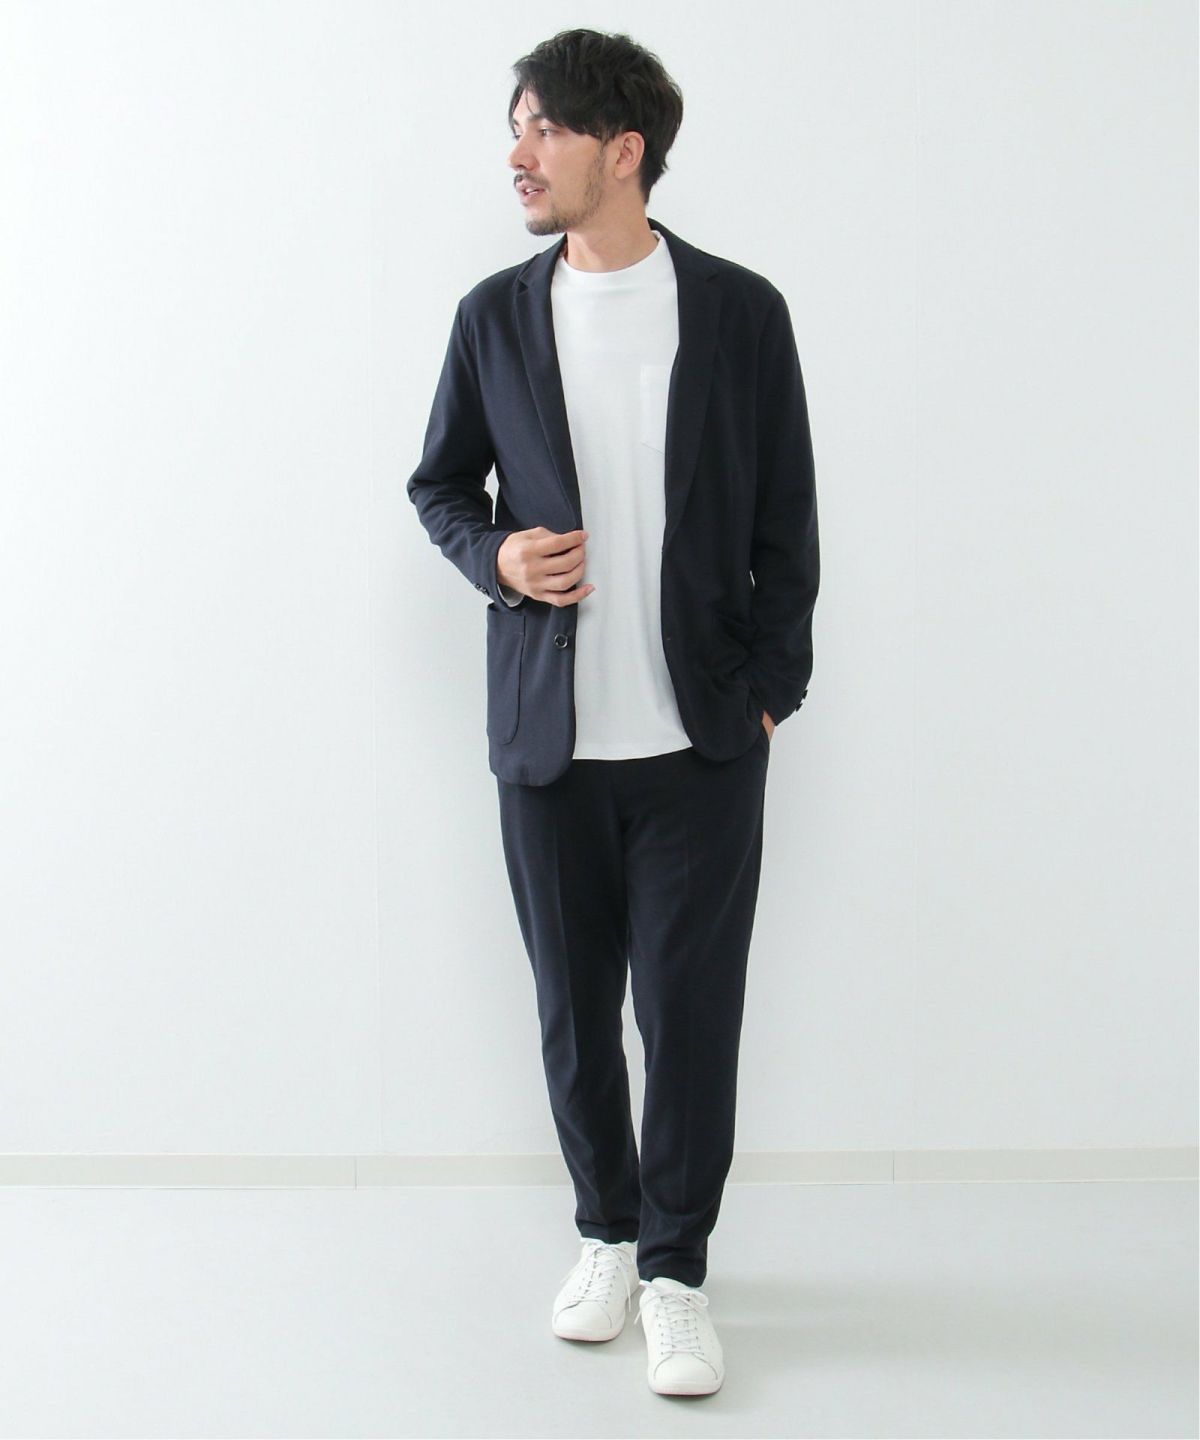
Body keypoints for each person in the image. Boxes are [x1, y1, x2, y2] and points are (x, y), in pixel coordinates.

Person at [407, 27, 819, 1399]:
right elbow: (440, 488)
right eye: (516, 127)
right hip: (550, 743)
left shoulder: (742, 313)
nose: (517, 155)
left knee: (689, 1017)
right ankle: (607, 1235)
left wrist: (769, 695)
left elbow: (787, 522)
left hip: (702, 743)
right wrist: (500, 559)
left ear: (623, 149)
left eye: (544, 128)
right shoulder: (493, 317)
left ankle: (678, 1272)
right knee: (575, 1014)